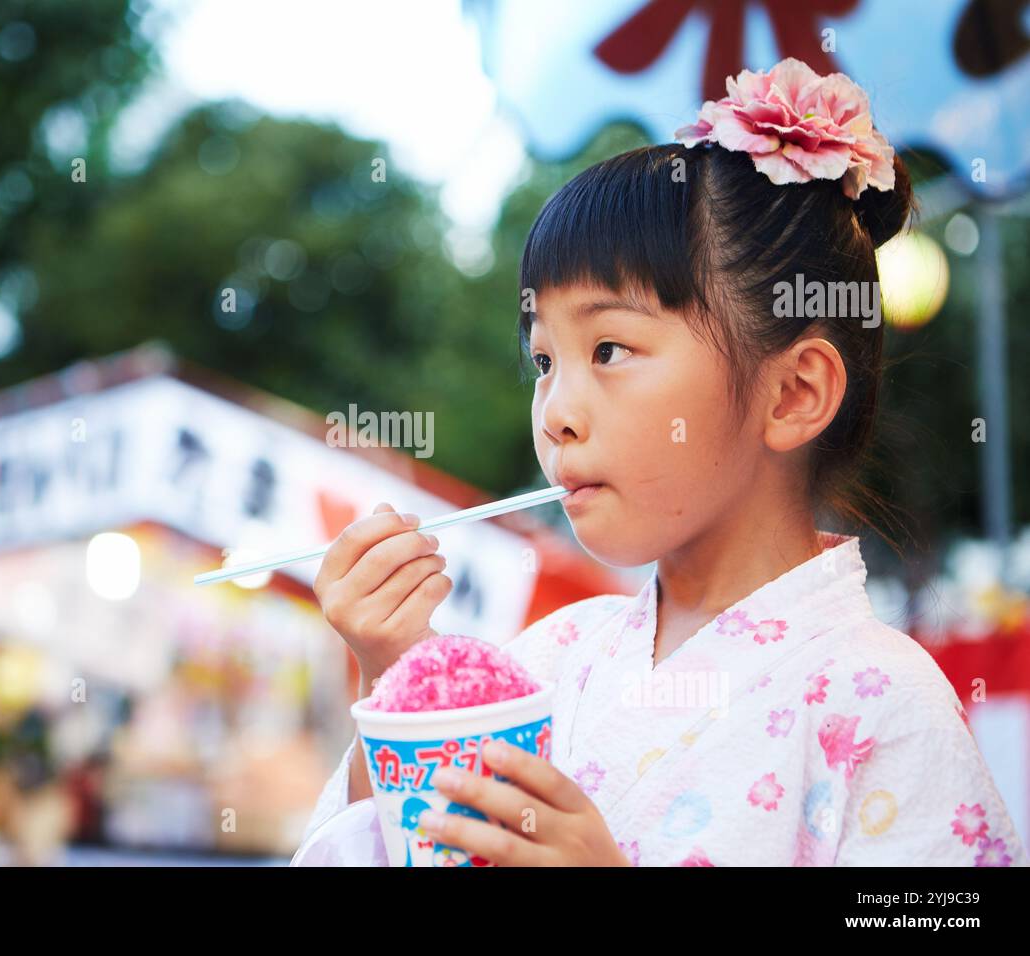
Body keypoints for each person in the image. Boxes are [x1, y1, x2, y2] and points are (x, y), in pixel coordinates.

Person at [299, 58, 1027, 866]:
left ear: (792, 393)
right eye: (544, 362)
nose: (556, 414)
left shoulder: (886, 704)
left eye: (608, 348)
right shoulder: (548, 661)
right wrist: (400, 689)